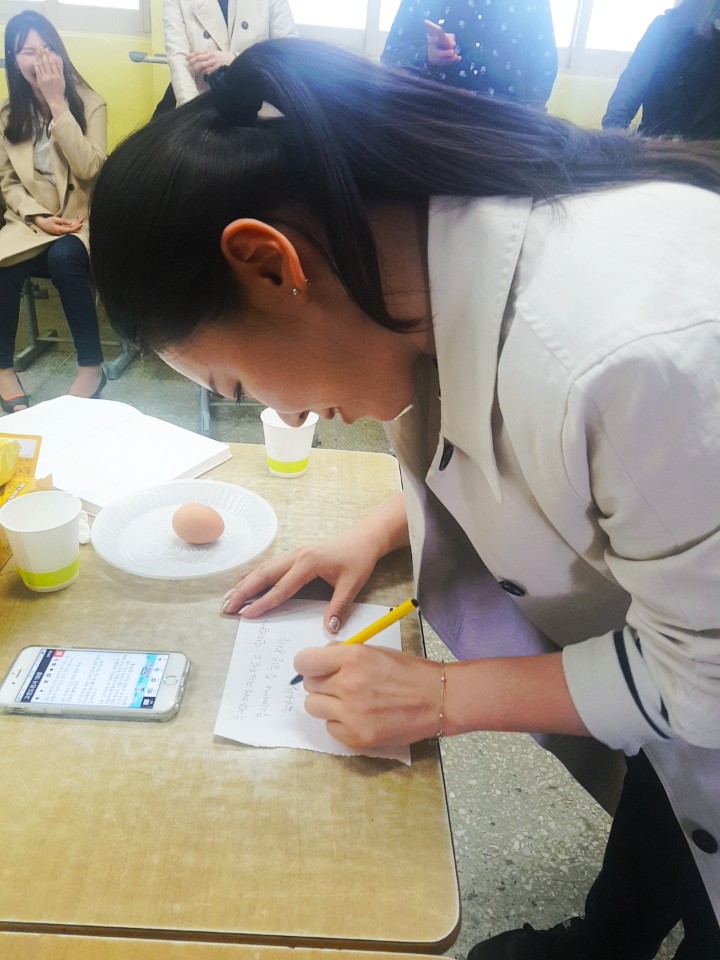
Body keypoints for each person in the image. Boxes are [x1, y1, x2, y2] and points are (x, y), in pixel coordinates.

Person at [89, 38, 720, 960]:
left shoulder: (621, 359)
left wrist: (442, 696)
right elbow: (498, 443)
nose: (284, 414)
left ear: (270, 265)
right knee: (666, 816)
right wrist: (383, 528)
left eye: (237, 384)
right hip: (682, 726)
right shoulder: (429, 254)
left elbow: (704, 681)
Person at [0, 11, 106, 412]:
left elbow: (90, 169)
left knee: (65, 257)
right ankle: (3, 369)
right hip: (30, 223)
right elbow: (8, 181)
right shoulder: (8, 115)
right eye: (28, 51)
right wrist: (36, 216)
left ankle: (90, 368)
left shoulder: (90, 103)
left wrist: (59, 104)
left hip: (80, 220)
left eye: (47, 48)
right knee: (2, 264)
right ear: (14, 61)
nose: (40, 58)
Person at [382, 0, 557, 108]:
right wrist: (426, 55)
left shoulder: (531, 4)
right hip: (433, 129)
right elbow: (392, 56)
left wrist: (529, 124)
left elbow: (544, 68)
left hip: (507, 135)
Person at [602, 0, 720, 138]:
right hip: (655, 144)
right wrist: (615, 138)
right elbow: (628, 91)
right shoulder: (665, 29)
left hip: (708, 148)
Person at [162, 0, 297, 107]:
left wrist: (235, 59)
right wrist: (189, 113)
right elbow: (178, 57)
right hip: (202, 98)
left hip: (258, 100)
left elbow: (288, 53)